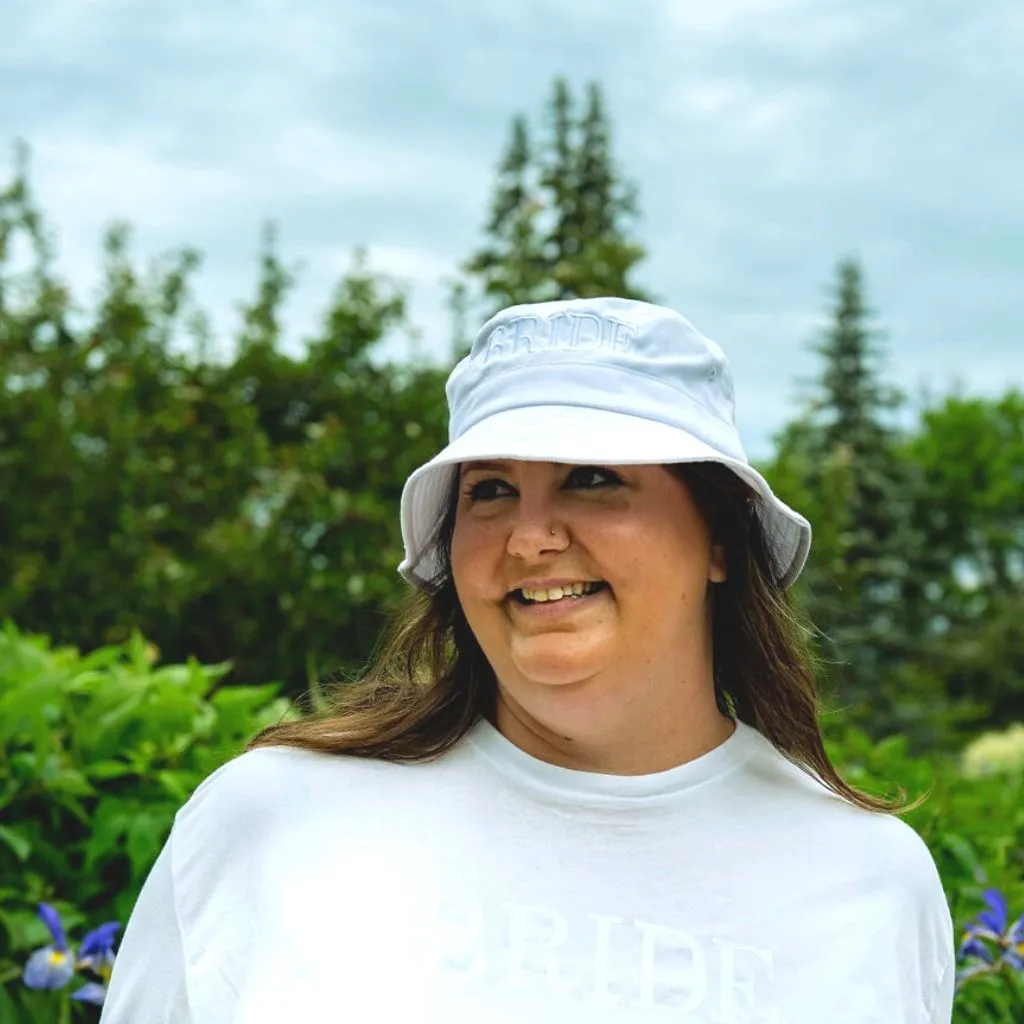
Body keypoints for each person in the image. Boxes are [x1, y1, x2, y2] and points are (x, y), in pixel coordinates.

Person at [100, 297, 955, 1023]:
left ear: (721, 540)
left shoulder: (869, 881)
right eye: (492, 491)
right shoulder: (270, 824)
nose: (531, 537)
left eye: (592, 477)